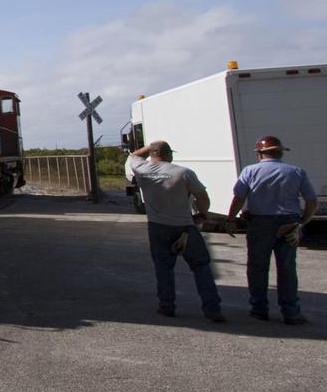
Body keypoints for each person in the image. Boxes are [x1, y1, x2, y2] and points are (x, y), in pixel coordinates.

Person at [126, 141, 225, 322]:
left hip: (157, 226)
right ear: (169, 154)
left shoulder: (141, 170)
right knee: (201, 267)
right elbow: (202, 197)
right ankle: (212, 309)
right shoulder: (183, 173)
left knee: (163, 269)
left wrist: (150, 146)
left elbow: (134, 156)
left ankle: (167, 306)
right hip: (185, 226)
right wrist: (202, 215)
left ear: (153, 153)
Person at [226, 136, 318, 325]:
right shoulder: (296, 172)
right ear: (281, 152)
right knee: (287, 268)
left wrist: (230, 219)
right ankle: (290, 312)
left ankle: (259, 309)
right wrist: (303, 221)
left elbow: (239, 197)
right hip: (288, 222)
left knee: (257, 267)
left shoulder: (250, 171)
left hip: (259, 223)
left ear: (259, 154)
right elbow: (312, 201)